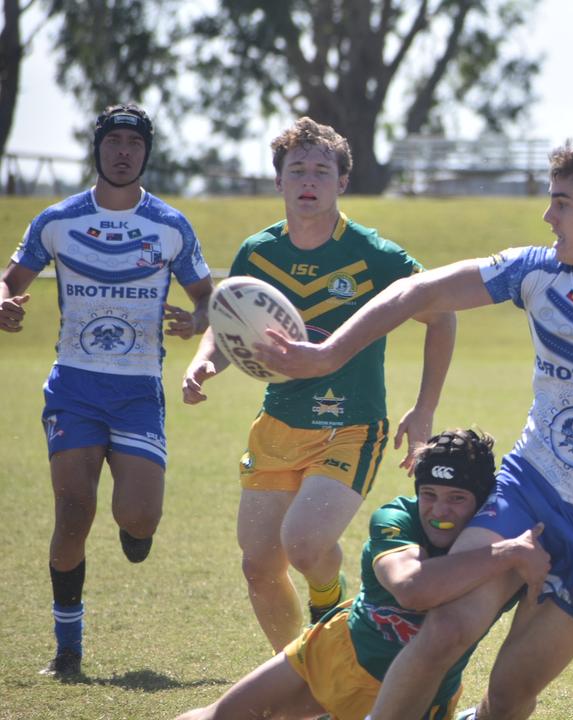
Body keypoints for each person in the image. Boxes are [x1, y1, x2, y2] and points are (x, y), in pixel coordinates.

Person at [255, 138, 573, 720]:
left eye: (561, 202)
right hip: (528, 488)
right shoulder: (535, 269)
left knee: (508, 692)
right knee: (446, 627)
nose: (547, 216)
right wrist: (327, 353)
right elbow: (415, 291)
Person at [180, 117, 456, 651]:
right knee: (259, 564)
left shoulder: (377, 256)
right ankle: (296, 672)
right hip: (279, 424)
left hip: (351, 427)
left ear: (342, 182)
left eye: (322, 171)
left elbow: (442, 315)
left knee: (304, 544)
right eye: (297, 170)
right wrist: (205, 362)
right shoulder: (257, 254)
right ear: (279, 181)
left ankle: (330, 614)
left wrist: (424, 409)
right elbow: (226, 324)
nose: (309, 180)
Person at [175, 427, 573, 720]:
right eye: (429, 493)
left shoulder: (499, 540)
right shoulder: (398, 518)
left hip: (418, 698)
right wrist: (508, 553)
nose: (439, 511)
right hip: (334, 651)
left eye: (457, 498)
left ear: (483, 502)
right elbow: (412, 589)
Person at [0, 103, 213, 677]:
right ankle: (67, 648)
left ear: (146, 153)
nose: (124, 152)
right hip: (74, 384)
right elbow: (10, 278)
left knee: (140, 518)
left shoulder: (171, 226)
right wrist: (2, 302)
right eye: (114, 141)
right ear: (98, 149)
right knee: (73, 512)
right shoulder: (57, 220)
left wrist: (198, 321)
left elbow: (207, 299)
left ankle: (134, 527)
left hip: (139, 388)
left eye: (134, 143)